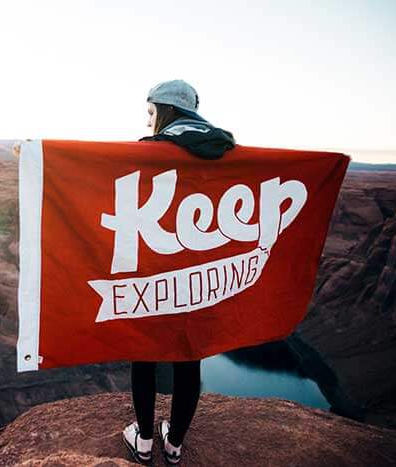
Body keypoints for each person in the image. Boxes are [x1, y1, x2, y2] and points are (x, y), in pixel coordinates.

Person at [121, 79, 235, 466]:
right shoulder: (224, 151)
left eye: (152, 112)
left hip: (154, 274)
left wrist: (39, 161)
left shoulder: (149, 152)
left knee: (144, 356)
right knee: (190, 357)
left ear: (167, 111)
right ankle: (174, 445)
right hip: (200, 276)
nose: (149, 120)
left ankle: (144, 440)